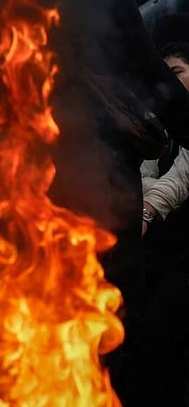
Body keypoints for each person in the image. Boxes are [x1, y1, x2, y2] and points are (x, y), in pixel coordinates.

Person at [28, 0, 189, 404]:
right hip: (92, 187)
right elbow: (144, 69)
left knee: (33, 332)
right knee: (105, 333)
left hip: (23, 187)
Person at [133, 42, 189, 406]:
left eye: (178, 74)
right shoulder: (159, 123)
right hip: (157, 252)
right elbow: (139, 173)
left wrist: (148, 207)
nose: (169, 84)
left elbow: (183, 176)